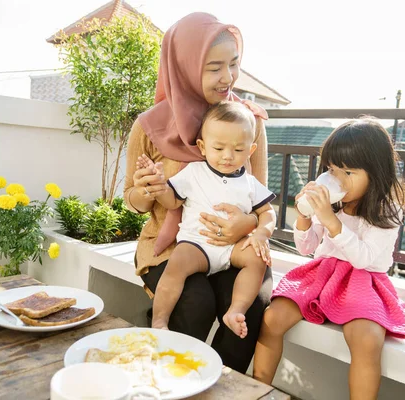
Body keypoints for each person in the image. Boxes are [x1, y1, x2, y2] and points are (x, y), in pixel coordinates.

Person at [123, 12, 272, 372]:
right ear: (185, 66)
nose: (228, 77)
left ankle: (218, 384)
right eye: (214, 67)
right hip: (173, 248)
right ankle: (167, 379)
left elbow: (260, 195)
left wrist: (247, 225)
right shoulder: (149, 126)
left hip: (235, 246)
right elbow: (133, 200)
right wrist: (148, 190)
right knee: (195, 303)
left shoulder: (248, 122)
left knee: (252, 306)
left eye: (233, 64)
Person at [253, 117, 405, 399]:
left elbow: (364, 259)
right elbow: (306, 247)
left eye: (348, 172)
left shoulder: (387, 209)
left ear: (376, 172)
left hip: (364, 282)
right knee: (271, 319)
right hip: (321, 274)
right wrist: (303, 218)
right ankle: (256, 390)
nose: (336, 179)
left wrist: (332, 223)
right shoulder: (333, 202)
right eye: (331, 169)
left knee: (366, 340)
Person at [137, 101, 276, 338]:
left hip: (232, 249)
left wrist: (262, 232)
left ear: (250, 150)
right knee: (177, 264)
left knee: (257, 258)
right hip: (197, 245)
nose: (228, 157)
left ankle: (235, 311)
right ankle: (160, 321)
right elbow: (173, 202)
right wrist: (160, 186)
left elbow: (268, 212)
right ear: (202, 146)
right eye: (219, 148)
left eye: (238, 150)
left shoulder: (250, 183)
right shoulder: (194, 172)